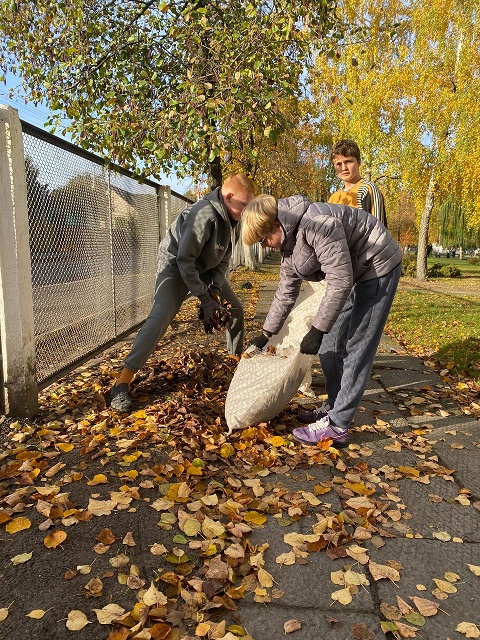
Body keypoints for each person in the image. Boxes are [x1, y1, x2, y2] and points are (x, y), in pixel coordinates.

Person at [243, 194, 402, 446]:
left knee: (356, 347)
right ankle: (334, 406)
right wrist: (265, 334)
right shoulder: (288, 244)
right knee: (330, 344)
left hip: (378, 264)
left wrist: (317, 328)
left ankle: (339, 425)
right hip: (355, 272)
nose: (264, 246)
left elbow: (339, 281)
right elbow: (285, 292)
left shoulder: (316, 223)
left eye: (263, 239)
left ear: (276, 225)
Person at [110, 173, 255, 412]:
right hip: (176, 267)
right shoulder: (203, 214)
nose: (246, 211)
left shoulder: (233, 220)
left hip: (205, 270)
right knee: (161, 317)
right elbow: (184, 260)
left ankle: (234, 362)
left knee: (235, 309)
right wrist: (203, 298)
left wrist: (215, 293)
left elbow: (222, 262)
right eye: (245, 205)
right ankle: (122, 382)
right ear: (229, 197)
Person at [328, 139, 387, 227]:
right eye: (339, 164)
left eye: (348, 162)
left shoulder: (368, 189)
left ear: (359, 162)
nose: (344, 168)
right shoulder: (333, 199)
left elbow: (379, 230)